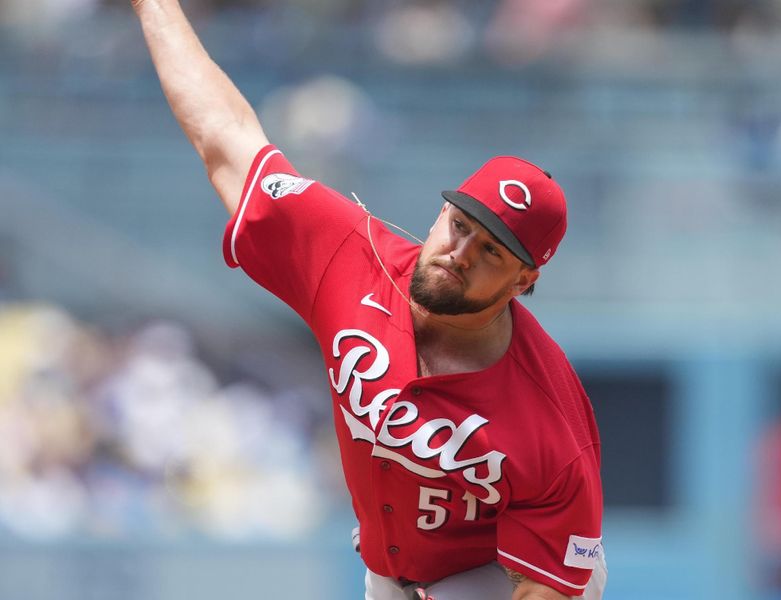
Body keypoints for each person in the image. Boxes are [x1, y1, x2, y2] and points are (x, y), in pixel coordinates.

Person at [131, 1, 607, 598]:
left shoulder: (551, 420)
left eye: (492, 252)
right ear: (441, 213)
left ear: (523, 282)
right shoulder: (350, 257)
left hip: (500, 579)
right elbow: (225, 137)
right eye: (460, 225)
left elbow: (550, 588)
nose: (460, 253)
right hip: (391, 569)